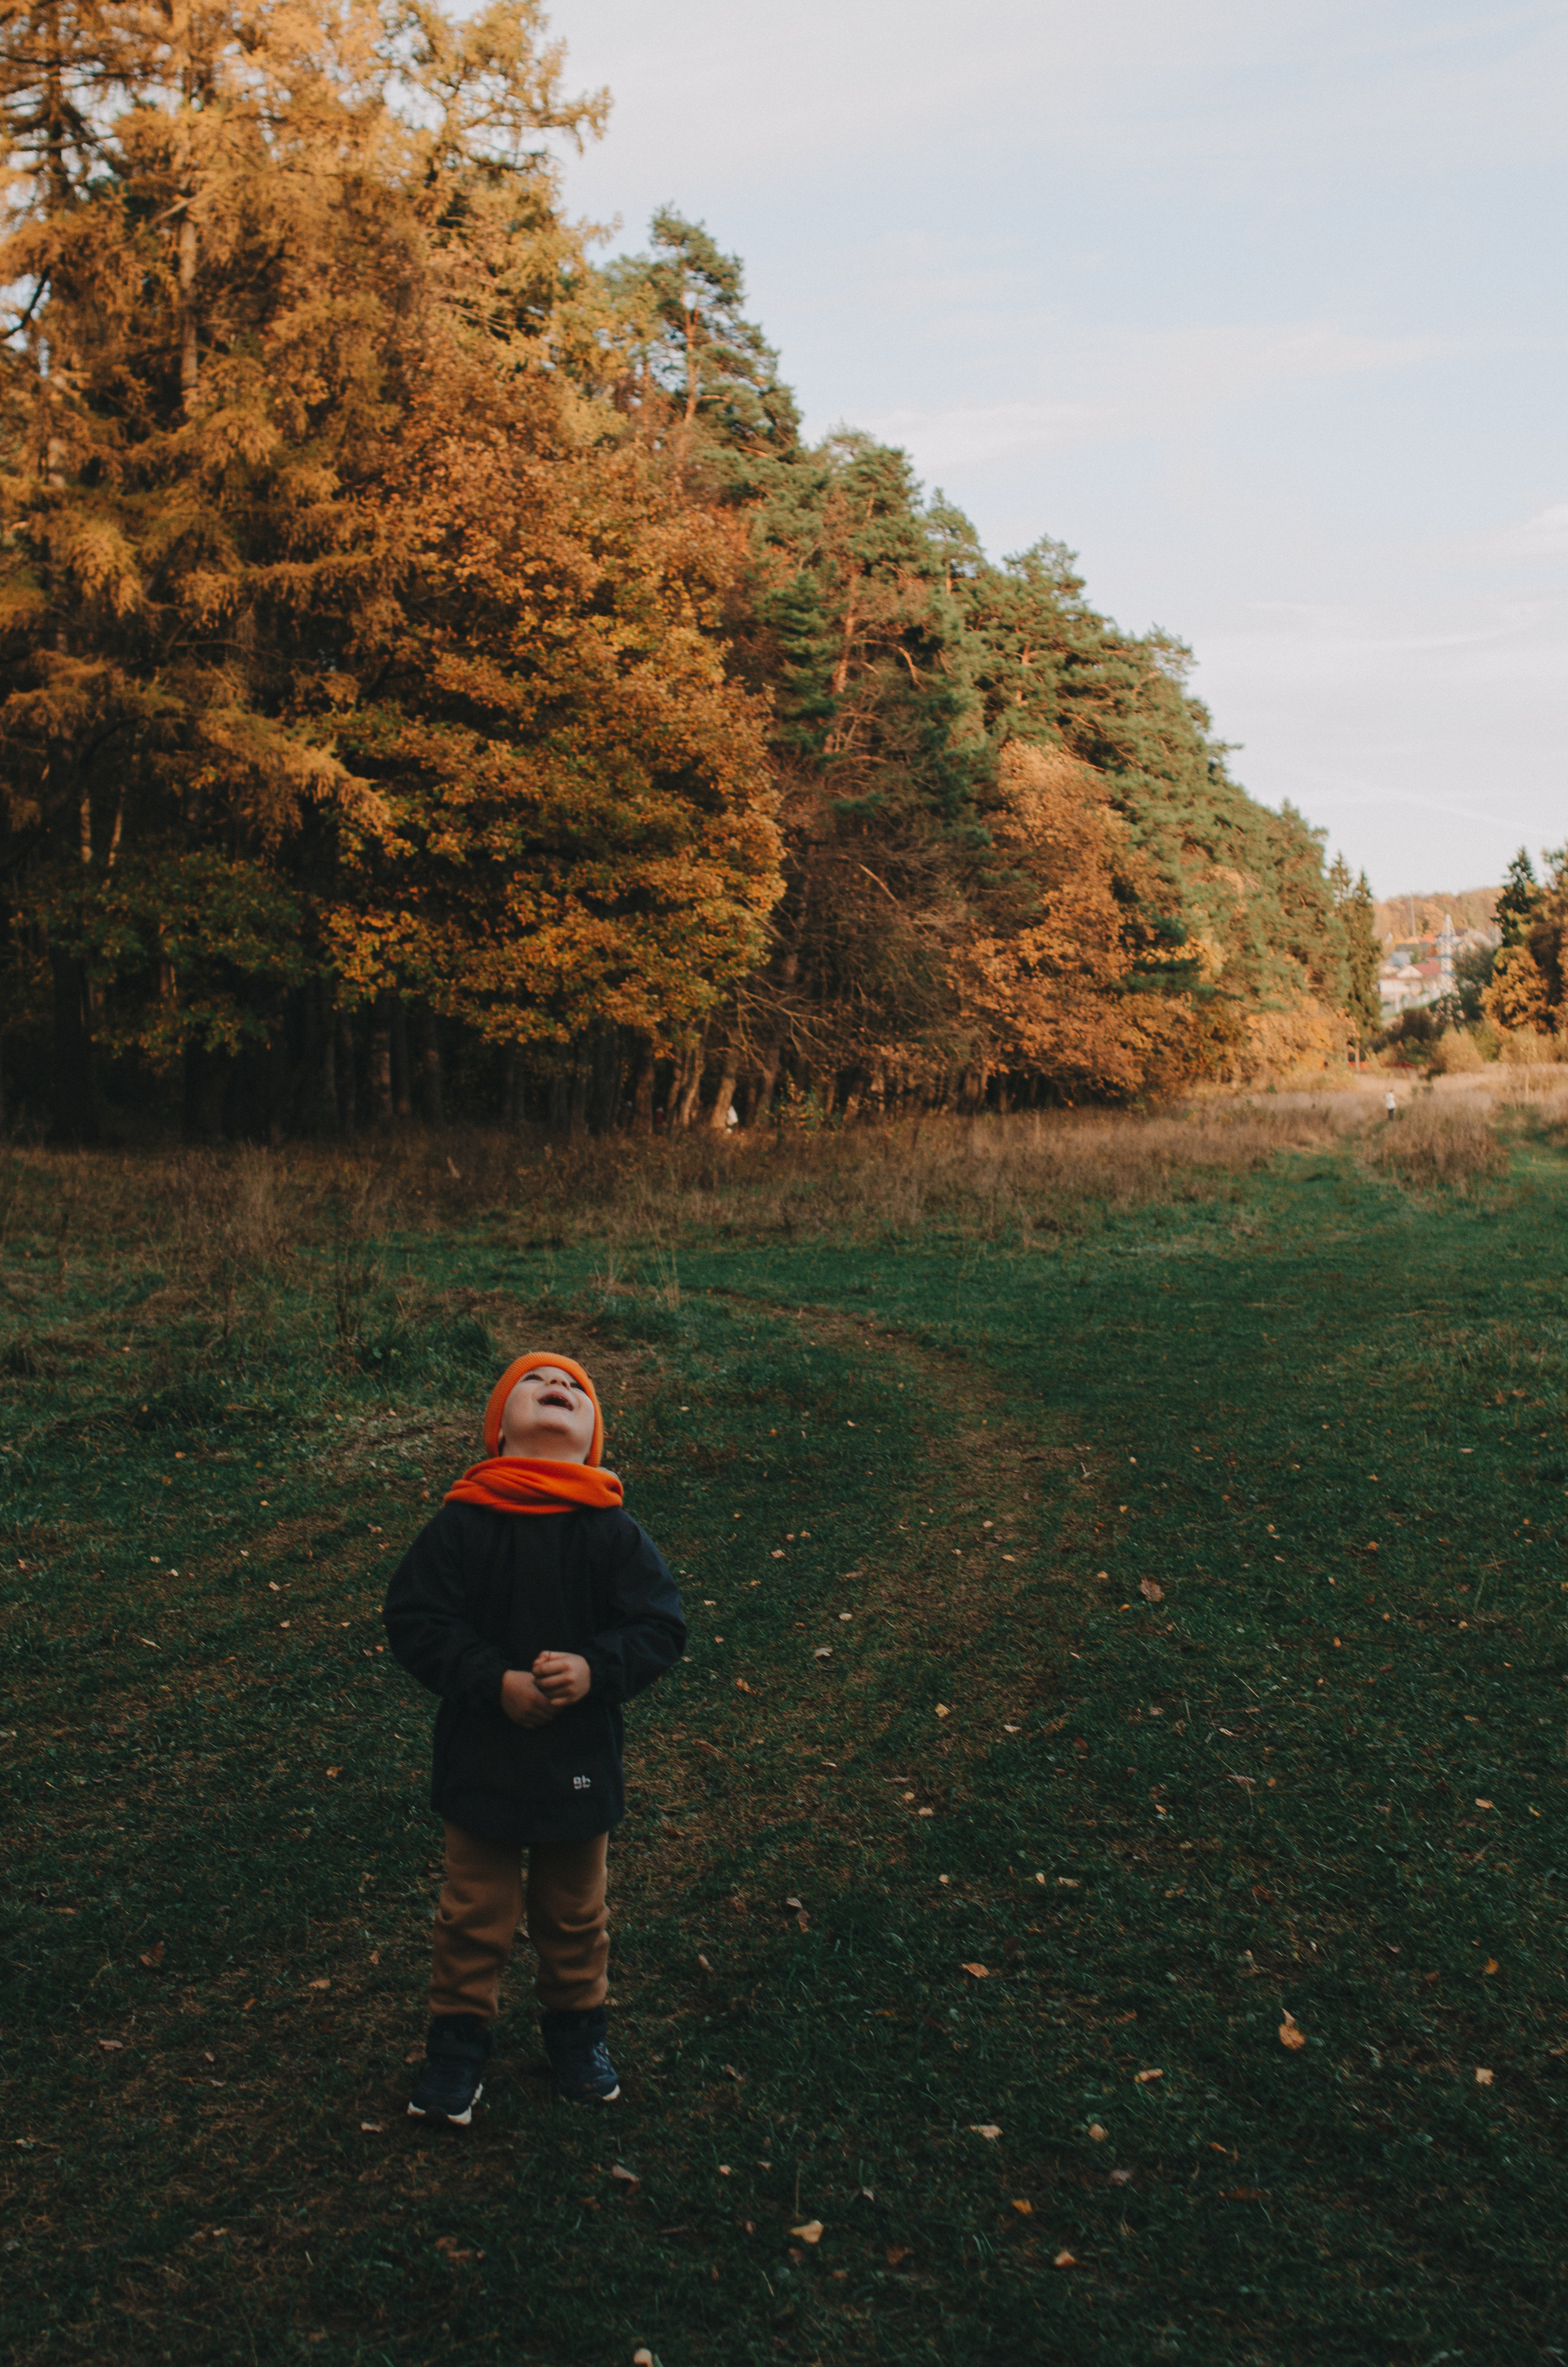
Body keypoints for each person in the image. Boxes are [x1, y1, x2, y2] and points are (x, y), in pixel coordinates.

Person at [384, 1353, 685, 2126]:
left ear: (592, 1439)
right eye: (535, 1380)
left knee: (574, 1911)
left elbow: (658, 1626)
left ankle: (577, 2035)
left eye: (577, 1387)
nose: (559, 1385)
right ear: (498, 1429)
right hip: (481, 1756)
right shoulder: (461, 1524)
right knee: (472, 1910)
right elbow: (417, 1621)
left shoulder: (611, 1531)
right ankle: (457, 2048)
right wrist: (494, 1681)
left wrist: (593, 1668)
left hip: (577, 1761)